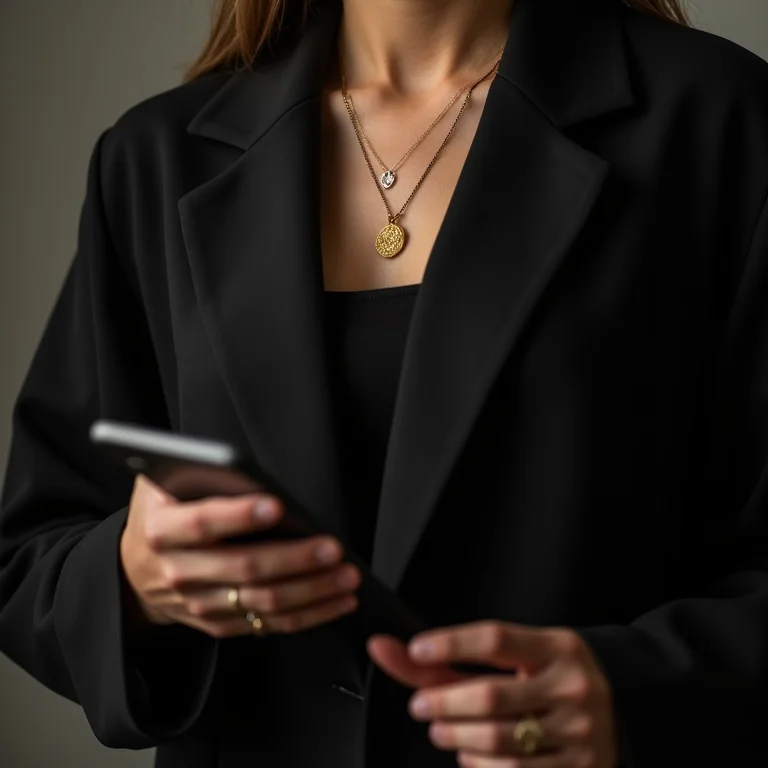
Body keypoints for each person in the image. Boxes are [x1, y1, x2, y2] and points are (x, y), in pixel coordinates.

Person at [1, 0, 768, 765]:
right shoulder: (154, 157)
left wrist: (636, 694)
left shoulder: (720, 120)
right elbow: (32, 554)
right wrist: (135, 579)